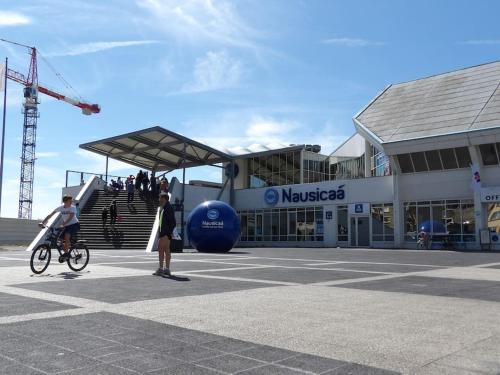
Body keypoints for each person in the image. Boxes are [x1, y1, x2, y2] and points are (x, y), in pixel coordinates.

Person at [40, 195, 80, 261]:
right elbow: (50, 215)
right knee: (60, 240)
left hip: (74, 224)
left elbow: (71, 217)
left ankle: (66, 254)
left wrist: (64, 224)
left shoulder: (73, 208)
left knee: (67, 235)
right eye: (70, 201)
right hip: (67, 226)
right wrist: (43, 222)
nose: (71, 202)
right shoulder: (61, 208)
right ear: (65, 202)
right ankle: (67, 253)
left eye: (71, 201)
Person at [154, 192, 176, 277]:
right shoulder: (163, 207)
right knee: (166, 249)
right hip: (165, 232)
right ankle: (166, 269)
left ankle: (161, 269)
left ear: (165, 199)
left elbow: (172, 222)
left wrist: (167, 233)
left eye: (160, 198)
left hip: (165, 233)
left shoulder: (168, 208)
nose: (159, 199)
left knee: (160, 249)